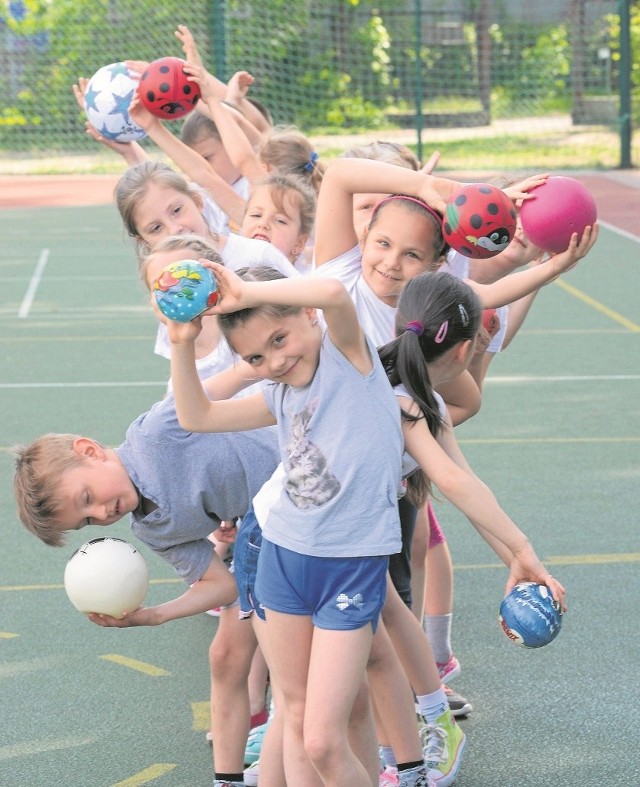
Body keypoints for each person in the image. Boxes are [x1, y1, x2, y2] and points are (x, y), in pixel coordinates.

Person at [166, 263, 406, 786]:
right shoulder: (278, 395)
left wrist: (244, 291)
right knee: (296, 718)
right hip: (281, 561)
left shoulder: (349, 361)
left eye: (280, 338)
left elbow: (334, 292)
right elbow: (195, 416)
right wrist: (182, 343)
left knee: (322, 737)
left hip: (350, 567)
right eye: (255, 356)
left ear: (308, 316)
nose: (274, 361)